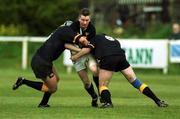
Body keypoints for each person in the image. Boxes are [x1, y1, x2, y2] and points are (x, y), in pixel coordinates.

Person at [71, 34, 168, 108]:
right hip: (121, 57)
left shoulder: (95, 38)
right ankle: (158, 101)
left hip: (108, 57)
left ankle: (108, 103)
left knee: (103, 85)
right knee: (135, 81)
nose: (83, 42)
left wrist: (75, 57)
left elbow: (87, 50)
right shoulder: (112, 39)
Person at [12, 26, 89, 108]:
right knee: (53, 88)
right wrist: (84, 50)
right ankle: (23, 81)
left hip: (45, 60)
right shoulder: (65, 33)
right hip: (41, 62)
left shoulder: (61, 34)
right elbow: (69, 44)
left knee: (57, 79)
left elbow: (66, 45)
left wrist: (80, 51)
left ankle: (43, 104)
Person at [68, 8, 100, 107]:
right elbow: (67, 44)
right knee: (86, 83)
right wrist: (76, 54)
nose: (85, 22)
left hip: (86, 53)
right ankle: (94, 97)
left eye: (87, 20)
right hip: (77, 55)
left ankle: (101, 92)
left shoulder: (92, 29)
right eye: (82, 20)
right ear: (79, 18)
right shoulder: (72, 27)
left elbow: (89, 48)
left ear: (89, 20)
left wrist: (77, 54)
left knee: (95, 70)